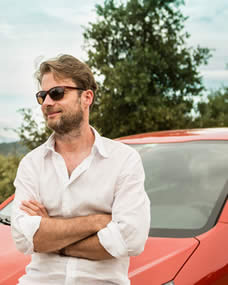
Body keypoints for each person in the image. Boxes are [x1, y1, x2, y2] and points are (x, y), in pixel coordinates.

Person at [11, 54, 151, 285]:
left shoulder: (124, 160)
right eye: (42, 96)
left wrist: (52, 237)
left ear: (86, 97)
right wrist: (97, 222)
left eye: (56, 93)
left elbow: (130, 240)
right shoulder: (31, 164)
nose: (47, 103)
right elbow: (23, 239)